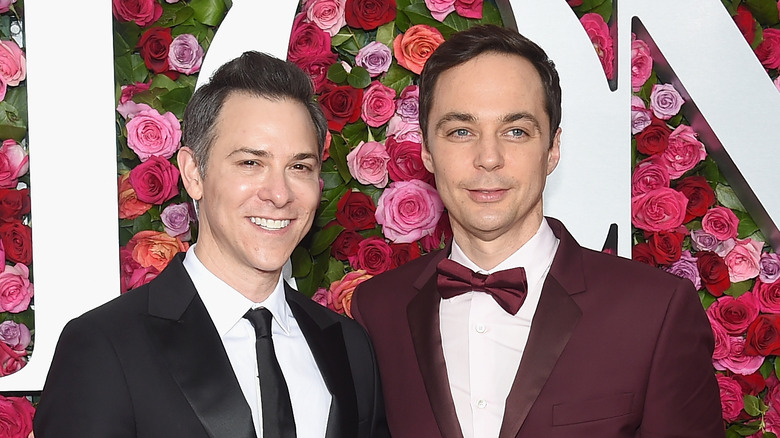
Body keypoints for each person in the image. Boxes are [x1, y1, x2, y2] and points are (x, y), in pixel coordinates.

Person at [351, 25, 724, 438]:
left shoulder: (654, 311)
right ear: (426, 150)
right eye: (461, 131)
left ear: (552, 149)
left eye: (516, 131)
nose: (488, 158)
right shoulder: (378, 310)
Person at [34, 51, 389, 438]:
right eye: (251, 163)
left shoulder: (350, 347)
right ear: (193, 174)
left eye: (299, 167)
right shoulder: (105, 346)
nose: (279, 194)